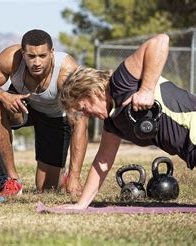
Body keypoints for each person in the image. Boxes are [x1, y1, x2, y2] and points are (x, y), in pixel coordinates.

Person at [58, 33, 195, 209]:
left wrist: (146, 89)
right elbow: (103, 161)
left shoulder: (122, 81)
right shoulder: (113, 123)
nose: (87, 115)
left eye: (84, 108)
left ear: (91, 91)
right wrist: (81, 205)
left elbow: (161, 41)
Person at [0, 29, 89, 196]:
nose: (36, 62)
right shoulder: (11, 59)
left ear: (52, 53)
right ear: (23, 53)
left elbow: (80, 122)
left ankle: (64, 176)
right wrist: (2, 95)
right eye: (31, 56)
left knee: (46, 189)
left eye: (42, 56)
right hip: (23, 105)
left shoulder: (67, 72)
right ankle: (11, 179)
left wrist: (75, 176)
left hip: (55, 117)